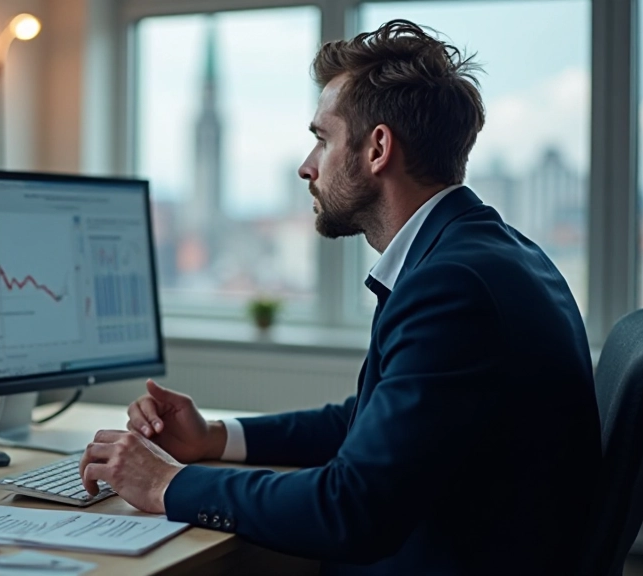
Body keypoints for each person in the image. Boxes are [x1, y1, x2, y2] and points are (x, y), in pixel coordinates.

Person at [79, 19, 600, 575]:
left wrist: (167, 483)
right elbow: (370, 422)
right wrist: (212, 438)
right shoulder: (487, 252)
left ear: (377, 148)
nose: (307, 166)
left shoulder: (452, 287)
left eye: (322, 139)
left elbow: (350, 509)